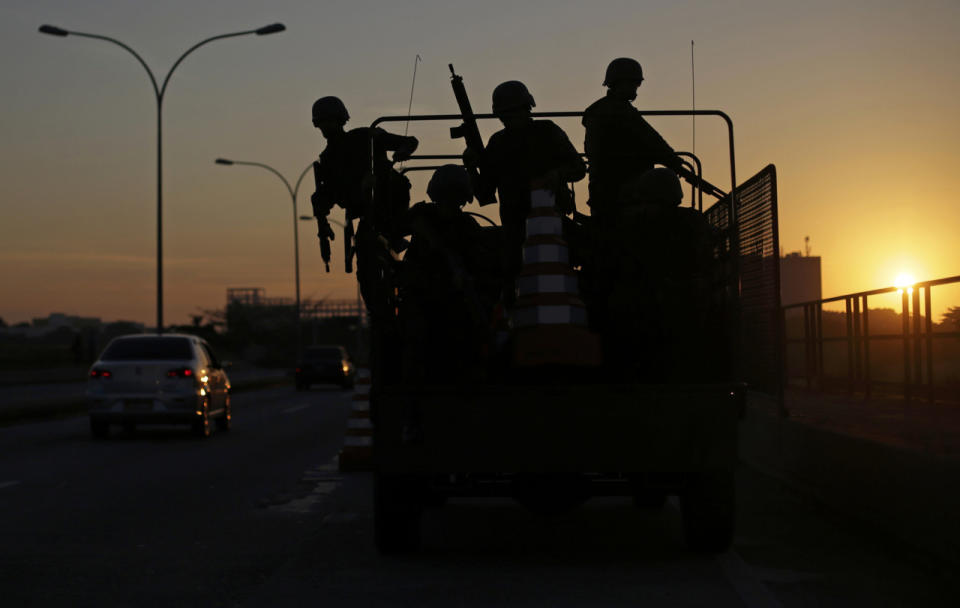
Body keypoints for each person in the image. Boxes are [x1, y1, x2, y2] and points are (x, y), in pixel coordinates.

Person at [465, 81, 586, 299]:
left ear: (526, 109)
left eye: (511, 113)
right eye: (504, 115)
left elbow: (578, 168)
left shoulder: (547, 131)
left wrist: (557, 174)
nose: (508, 120)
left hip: (551, 224)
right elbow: (484, 194)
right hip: (517, 229)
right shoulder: (498, 143)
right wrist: (472, 167)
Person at [309, 96, 419, 314]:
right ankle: (379, 313)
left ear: (341, 120)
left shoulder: (365, 137)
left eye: (330, 121)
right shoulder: (328, 159)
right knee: (367, 267)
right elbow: (325, 195)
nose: (326, 126)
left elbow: (409, 141)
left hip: (391, 204)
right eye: (322, 122)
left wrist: (402, 153)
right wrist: (323, 222)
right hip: (367, 217)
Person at [398, 165, 500, 382]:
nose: (450, 202)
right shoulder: (422, 215)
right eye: (447, 196)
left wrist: (466, 279)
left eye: (454, 197)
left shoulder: (467, 226)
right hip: (423, 298)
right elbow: (395, 227)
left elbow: (482, 267)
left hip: (454, 299)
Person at [582, 58, 688, 220]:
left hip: (603, 195)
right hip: (624, 194)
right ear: (620, 83)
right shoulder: (621, 112)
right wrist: (673, 161)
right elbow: (652, 140)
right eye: (634, 83)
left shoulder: (599, 110)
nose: (636, 88)